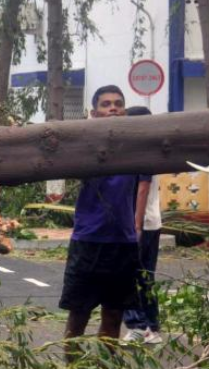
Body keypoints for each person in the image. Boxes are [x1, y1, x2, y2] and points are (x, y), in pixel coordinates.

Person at [60, 85, 151, 347]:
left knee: (113, 317)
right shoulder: (85, 148)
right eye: (106, 104)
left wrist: (138, 228)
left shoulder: (136, 150)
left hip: (123, 244)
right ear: (94, 113)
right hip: (88, 241)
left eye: (118, 104)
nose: (113, 107)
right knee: (78, 316)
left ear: (124, 112)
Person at [122, 105, 163, 344]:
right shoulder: (151, 150)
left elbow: (143, 189)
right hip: (151, 222)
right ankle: (152, 327)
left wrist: (134, 226)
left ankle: (138, 325)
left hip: (141, 223)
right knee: (146, 277)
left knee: (130, 276)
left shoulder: (141, 152)